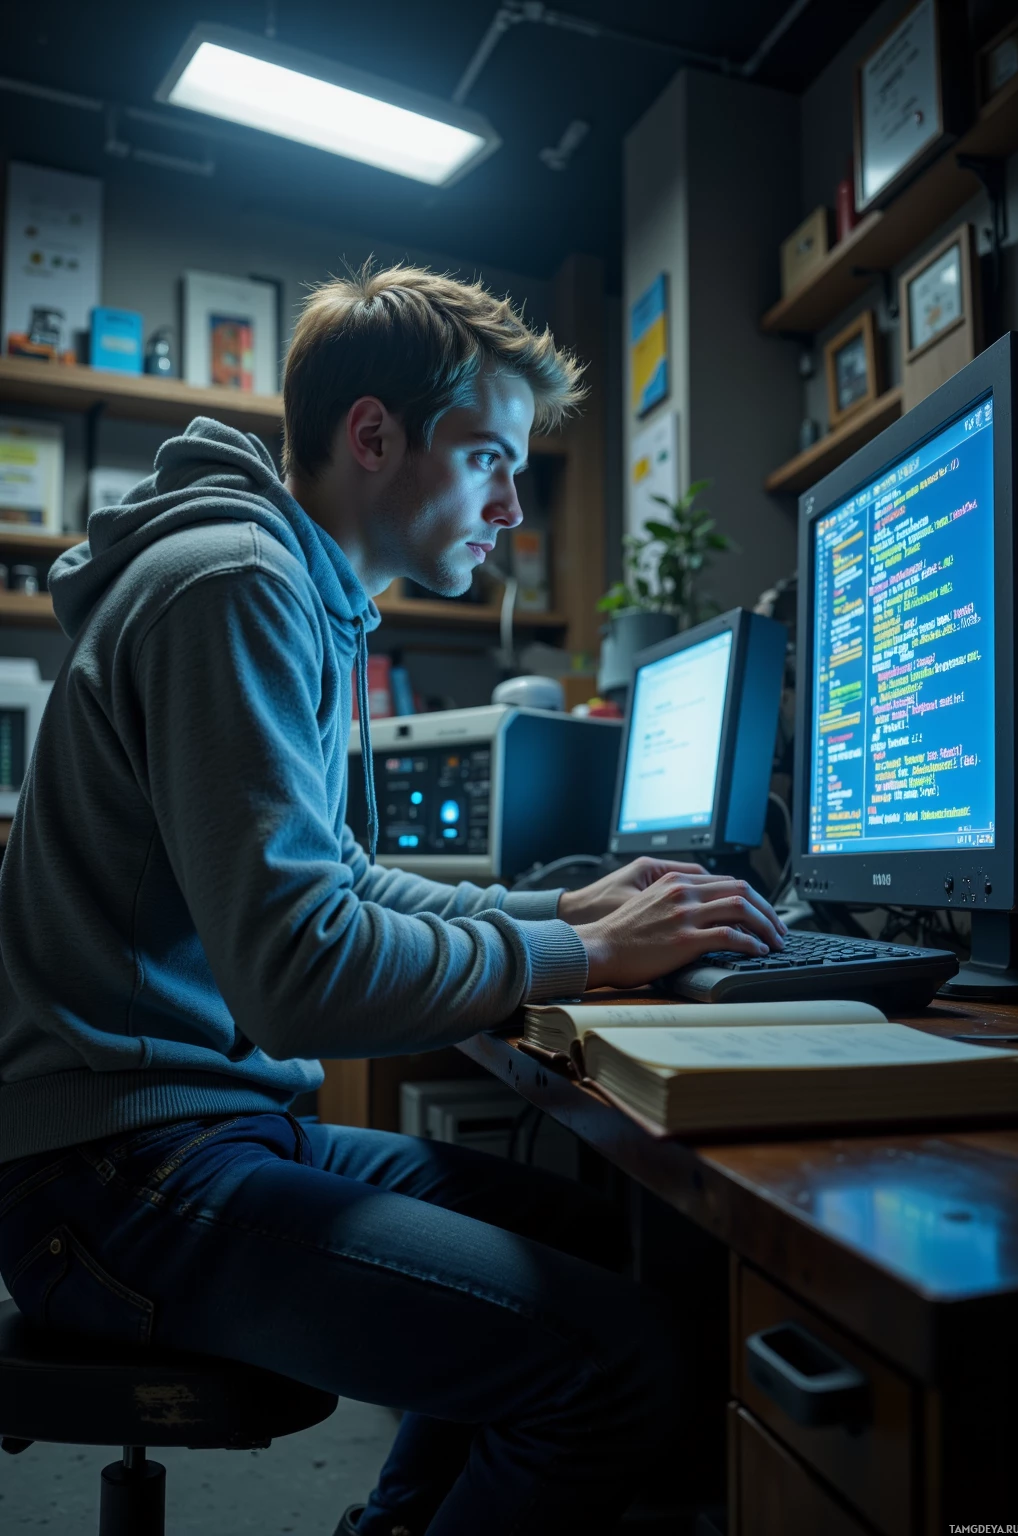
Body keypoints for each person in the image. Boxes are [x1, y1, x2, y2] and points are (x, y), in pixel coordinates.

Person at [0, 264, 786, 1535]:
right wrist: (575, 961)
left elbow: (342, 880)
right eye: (488, 458)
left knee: (583, 1235)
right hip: (110, 1180)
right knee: (619, 1367)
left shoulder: (288, 586)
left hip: (186, 1137)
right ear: (375, 435)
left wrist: (575, 925)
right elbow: (296, 975)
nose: (512, 506)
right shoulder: (236, 586)